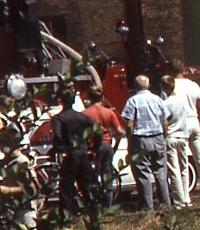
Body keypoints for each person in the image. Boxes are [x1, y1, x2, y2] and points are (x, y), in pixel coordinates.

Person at [119, 74, 171, 211]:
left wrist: (130, 142)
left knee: (143, 174)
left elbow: (129, 124)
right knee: (161, 172)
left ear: (135, 86)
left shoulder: (132, 101)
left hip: (141, 138)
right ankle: (165, 204)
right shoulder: (158, 100)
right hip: (158, 136)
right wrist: (163, 137)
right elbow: (165, 121)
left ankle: (147, 207)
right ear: (148, 85)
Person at [51, 85, 98, 214]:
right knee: (87, 187)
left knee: (66, 189)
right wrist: (94, 147)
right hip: (83, 154)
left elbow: (58, 136)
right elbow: (97, 130)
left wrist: (59, 150)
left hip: (69, 155)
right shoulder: (83, 117)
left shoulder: (58, 118)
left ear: (61, 101)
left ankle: (66, 217)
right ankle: (94, 216)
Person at [171, 61, 200, 197]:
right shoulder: (193, 85)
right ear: (183, 69)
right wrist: (198, 121)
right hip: (194, 120)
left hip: (180, 123)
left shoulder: (170, 86)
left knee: (182, 161)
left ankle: (184, 195)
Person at [82, 85, 124, 207]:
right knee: (107, 175)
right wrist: (115, 145)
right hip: (107, 144)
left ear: (89, 97)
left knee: (92, 175)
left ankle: (93, 203)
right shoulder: (109, 112)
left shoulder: (85, 113)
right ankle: (107, 204)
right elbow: (119, 131)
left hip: (92, 147)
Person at [161, 74, 194, 208]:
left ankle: (179, 201)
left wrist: (165, 133)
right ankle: (186, 198)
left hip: (171, 136)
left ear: (164, 88)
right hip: (183, 136)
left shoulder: (165, 103)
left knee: (174, 170)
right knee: (184, 168)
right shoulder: (182, 101)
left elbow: (165, 123)